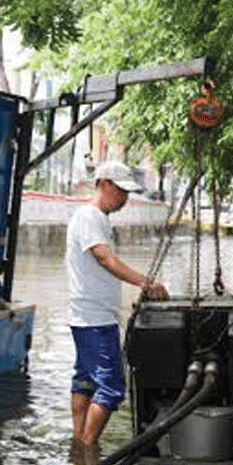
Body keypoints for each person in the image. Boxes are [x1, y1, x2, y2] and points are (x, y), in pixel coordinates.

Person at [66, 160, 168, 448]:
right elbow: (104, 258)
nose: (125, 199)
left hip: (85, 316)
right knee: (111, 388)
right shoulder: (90, 217)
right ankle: (87, 448)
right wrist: (144, 282)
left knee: (84, 380)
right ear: (104, 184)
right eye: (121, 191)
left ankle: (78, 441)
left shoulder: (95, 218)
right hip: (95, 319)